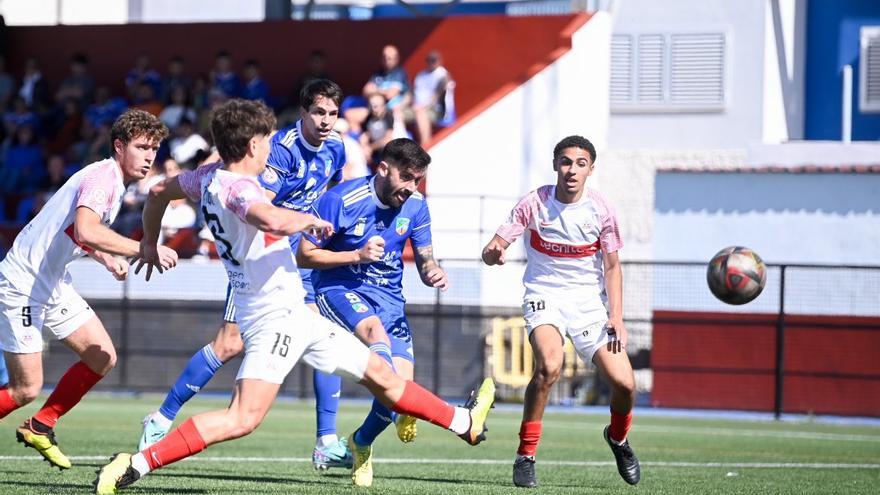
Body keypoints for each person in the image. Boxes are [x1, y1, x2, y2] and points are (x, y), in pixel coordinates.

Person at [94, 98, 495, 495]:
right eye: (268, 139)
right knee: (242, 418)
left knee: (384, 377)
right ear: (253, 145)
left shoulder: (207, 177)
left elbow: (160, 190)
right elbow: (265, 215)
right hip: (274, 320)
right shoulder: (238, 189)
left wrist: (148, 241)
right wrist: (305, 220)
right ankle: (135, 463)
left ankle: (464, 422)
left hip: (293, 314)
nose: (273, 146)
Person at [135, 80, 351, 470]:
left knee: (323, 336)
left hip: (295, 261)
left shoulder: (336, 149)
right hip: (260, 260)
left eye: (333, 113)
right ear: (302, 112)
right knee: (228, 344)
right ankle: (162, 417)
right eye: (319, 112)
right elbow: (255, 205)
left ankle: (327, 441)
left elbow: (321, 195)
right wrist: (298, 224)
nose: (326, 121)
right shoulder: (278, 151)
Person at [0, 109, 177, 470]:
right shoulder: (103, 180)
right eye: (142, 147)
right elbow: (85, 230)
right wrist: (145, 248)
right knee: (24, 388)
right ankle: (36, 414)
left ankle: (41, 424)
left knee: (101, 356)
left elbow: (75, 232)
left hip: (51, 283)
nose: (149, 156)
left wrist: (104, 257)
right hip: (23, 284)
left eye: (154, 149)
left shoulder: (110, 181)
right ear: (118, 146)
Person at [481, 135, 640, 488]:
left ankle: (618, 439)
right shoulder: (534, 203)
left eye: (580, 163)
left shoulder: (602, 210)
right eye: (566, 162)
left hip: (588, 305)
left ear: (590, 169)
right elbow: (495, 245)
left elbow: (612, 267)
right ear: (556, 164)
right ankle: (526, 455)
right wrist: (493, 253)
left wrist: (617, 316)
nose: (572, 170)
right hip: (544, 296)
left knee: (626, 384)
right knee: (549, 366)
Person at [297, 137, 449, 487]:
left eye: (419, 180)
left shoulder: (417, 206)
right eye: (408, 178)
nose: (413, 188)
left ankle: (360, 443)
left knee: (400, 393)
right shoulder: (341, 199)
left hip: (390, 300)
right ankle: (326, 437)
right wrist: (357, 256)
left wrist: (432, 273)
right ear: (384, 169)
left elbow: (426, 259)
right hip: (339, 287)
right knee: (375, 337)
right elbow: (305, 255)